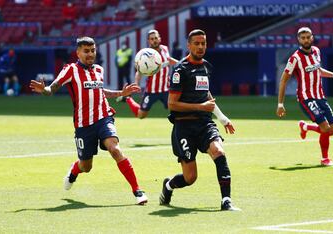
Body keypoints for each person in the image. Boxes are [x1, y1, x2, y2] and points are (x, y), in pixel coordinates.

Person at [29, 37, 148, 205]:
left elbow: (100, 92)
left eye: (93, 50)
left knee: (115, 149)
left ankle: (137, 190)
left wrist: (121, 93)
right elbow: (52, 88)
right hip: (83, 125)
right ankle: (74, 171)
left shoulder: (99, 69)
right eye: (86, 51)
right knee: (86, 166)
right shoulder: (70, 70)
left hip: (103, 118)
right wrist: (44, 90)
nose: (90, 54)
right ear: (78, 53)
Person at [159, 29, 241, 211]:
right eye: (196, 43)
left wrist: (221, 117)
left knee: (219, 152)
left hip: (204, 124)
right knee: (190, 178)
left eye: (203, 43)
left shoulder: (206, 66)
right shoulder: (180, 70)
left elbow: (206, 95)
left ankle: (226, 201)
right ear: (188, 45)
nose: (201, 46)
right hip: (184, 126)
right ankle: (168, 186)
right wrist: (201, 107)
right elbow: (172, 104)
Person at [276, 27, 333, 166]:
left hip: (320, 96)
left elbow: (318, 70)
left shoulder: (316, 51)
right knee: (325, 128)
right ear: (298, 39)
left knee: (332, 130)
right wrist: (280, 104)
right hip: (306, 98)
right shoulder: (295, 58)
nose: (306, 40)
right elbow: (284, 80)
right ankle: (325, 159)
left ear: (312, 37)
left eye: (308, 37)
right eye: (303, 38)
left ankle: (306, 127)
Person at [117, 29, 179, 119]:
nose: (154, 40)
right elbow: (139, 71)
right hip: (151, 91)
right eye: (152, 39)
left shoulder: (165, 49)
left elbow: (169, 60)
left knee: (176, 110)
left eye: (156, 38)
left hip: (166, 89)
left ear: (159, 39)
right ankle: (128, 98)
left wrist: (181, 63)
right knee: (141, 115)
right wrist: (136, 83)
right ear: (148, 41)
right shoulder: (145, 54)